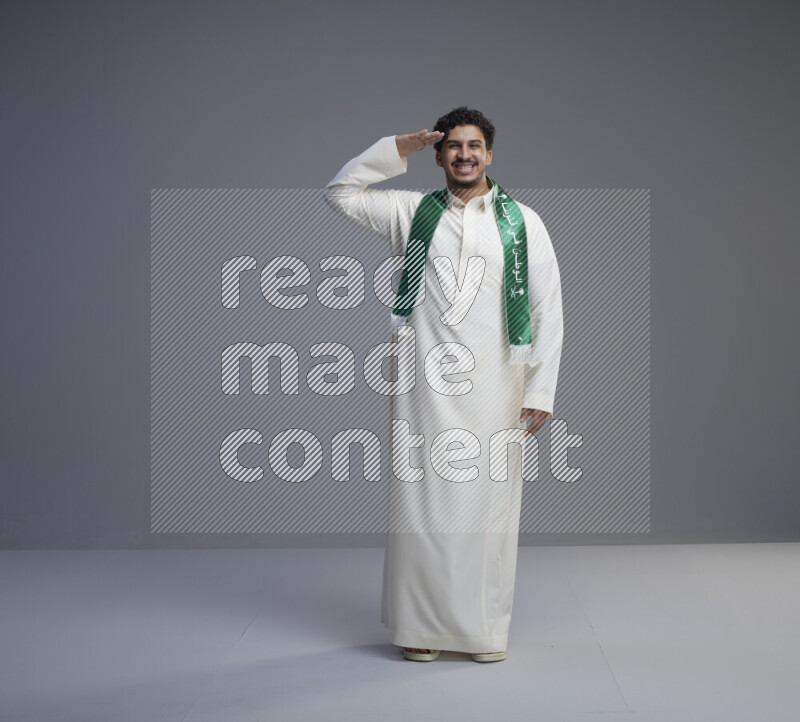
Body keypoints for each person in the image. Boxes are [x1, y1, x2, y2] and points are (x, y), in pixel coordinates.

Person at [324, 107, 563, 663]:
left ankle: (482, 632)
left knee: (489, 508)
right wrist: (395, 149)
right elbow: (339, 193)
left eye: (474, 145)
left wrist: (540, 390)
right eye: (452, 146)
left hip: (498, 382)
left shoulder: (523, 222)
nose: (464, 155)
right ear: (437, 156)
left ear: (489, 153)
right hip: (423, 383)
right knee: (421, 506)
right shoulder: (410, 213)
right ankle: (420, 628)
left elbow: (547, 307)